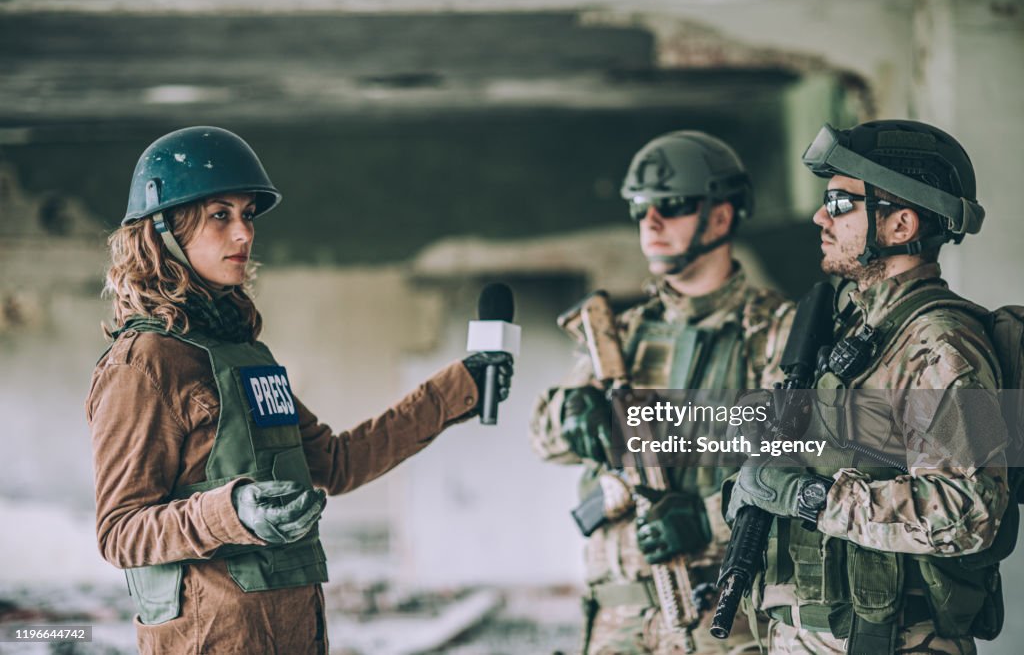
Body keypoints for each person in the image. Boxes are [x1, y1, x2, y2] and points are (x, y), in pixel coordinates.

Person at [86, 126, 513, 654]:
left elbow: (336, 463)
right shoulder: (145, 364)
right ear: (162, 231)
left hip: (293, 633)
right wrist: (233, 511)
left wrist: (456, 388)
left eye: (247, 214)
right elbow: (120, 532)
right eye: (221, 215)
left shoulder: (245, 354)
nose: (244, 233)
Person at [725, 119, 1009, 654]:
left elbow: (967, 511)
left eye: (839, 205)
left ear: (900, 224)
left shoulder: (943, 344)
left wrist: (809, 498)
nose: (819, 217)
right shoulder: (853, 329)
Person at [530, 131, 794, 654]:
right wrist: (571, 414)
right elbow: (543, 438)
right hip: (616, 616)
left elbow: (804, 467)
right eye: (641, 208)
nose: (650, 224)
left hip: (721, 615)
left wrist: (710, 521)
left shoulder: (776, 335)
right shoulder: (620, 335)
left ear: (721, 216)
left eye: (671, 207)